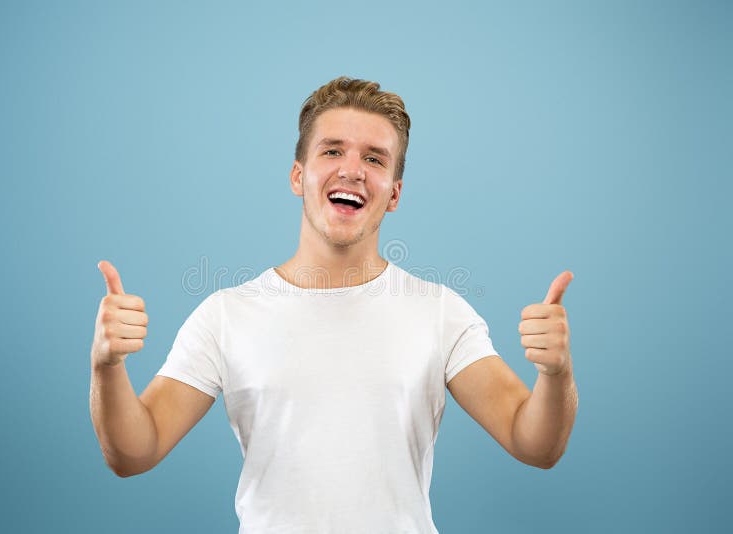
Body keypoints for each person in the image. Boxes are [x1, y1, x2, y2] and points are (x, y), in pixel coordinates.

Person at [89, 76, 579, 533]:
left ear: (394, 194)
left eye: (375, 158)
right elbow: (135, 451)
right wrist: (107, 367)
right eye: (332, 151)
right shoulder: (225, 315)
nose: (352, 170)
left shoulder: (440, 313)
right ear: (298, 176)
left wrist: (556, 375)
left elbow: (533, 442)